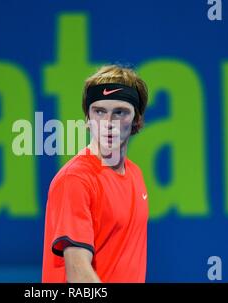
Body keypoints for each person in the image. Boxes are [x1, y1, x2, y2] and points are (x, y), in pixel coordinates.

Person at [42, 64, 150, 282]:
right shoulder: (75, 179)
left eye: (120, 112)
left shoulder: (135, 174)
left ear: (137, 120)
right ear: (87, 120)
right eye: (99, 111)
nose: (108, 123)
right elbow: (78, 273)